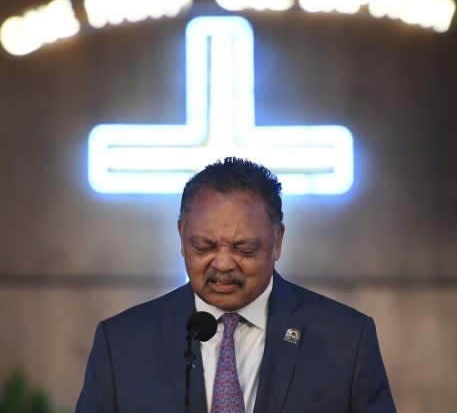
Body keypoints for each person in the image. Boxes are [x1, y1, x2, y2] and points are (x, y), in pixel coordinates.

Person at [76, 157, 396, 412]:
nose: (224, 263)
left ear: (277, 242)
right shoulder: (121, 344)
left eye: (243, 249)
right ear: (181, 237)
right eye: (204, 247)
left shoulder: (346, 340)